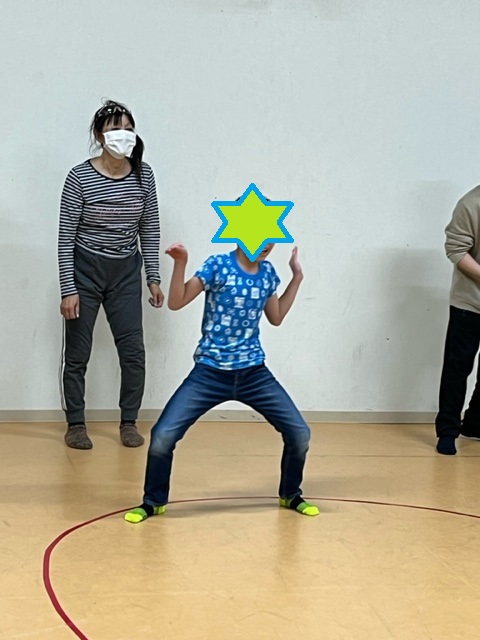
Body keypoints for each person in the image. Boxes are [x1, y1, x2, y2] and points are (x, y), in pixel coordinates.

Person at [125, 241, 319, 522]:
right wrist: (181, 262)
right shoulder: (218, 265)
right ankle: (154, 501)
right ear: (240, 235)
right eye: (260, 237)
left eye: (271, 240)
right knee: (163, 436)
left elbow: (276, 316)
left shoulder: (267, 273)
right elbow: (176, 302)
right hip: (209, 374)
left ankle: (290, 494)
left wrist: (296, 278)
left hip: (254, 374)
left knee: (299, 433)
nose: (266, 245)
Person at [58, 100, 164, 450]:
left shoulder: (143, 175)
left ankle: (129, 421)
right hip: (85, 271)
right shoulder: (79, 177)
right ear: (99, 135)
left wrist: (153, 277)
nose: (124, 135)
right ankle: (76, 424)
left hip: (125, 273)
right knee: (78, 353)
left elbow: (149, 228)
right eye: (116, 128)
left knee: (133, 352)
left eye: (129, 129)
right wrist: (68, 288)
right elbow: (66, 236)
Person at [436, 187, 480, 455]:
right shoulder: (471, 203)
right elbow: (456, 250)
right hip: (470, 303)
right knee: (457, 368)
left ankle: (474, 423)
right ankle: (447, 430)